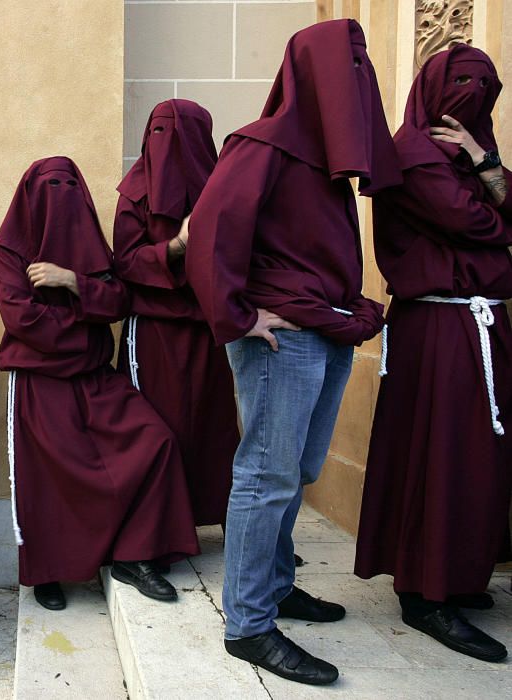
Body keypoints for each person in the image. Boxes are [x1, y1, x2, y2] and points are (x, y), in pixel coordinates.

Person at [187, 19, 401, 686]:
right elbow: (210, 234)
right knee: (267, 472)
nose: (359, 79)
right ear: (311, 73)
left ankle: (276, 584)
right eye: (349, 66)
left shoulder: (330, 163)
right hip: (283, 338)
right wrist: (238, 316)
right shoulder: (261, 145)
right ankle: (248, 625)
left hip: (328, 330)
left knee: (300, 467)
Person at [354, 45, 512, 663]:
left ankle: (460, 574)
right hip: (439, 330)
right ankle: (425, 592)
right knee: (443, 453)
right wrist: (495, 201)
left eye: (487, 89)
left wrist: (485, 161)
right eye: (464, 86)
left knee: (479, 456)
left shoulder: (474, 153)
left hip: (483, 325)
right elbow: (473, 222)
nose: (475, 98)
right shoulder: (412, 155)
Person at [0, 155, 200, 612]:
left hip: (93, 376)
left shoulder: (91, 249)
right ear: (29, 196)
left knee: (155, 443)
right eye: (49, 187)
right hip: (40, 381)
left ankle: (135, 555)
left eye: (68, 186)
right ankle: (47, 573)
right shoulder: (8, 252)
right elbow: (23, 319)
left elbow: (119, 299)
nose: (59, 196)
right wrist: (85, 321)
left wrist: (72, 281)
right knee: (45, 479)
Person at [114, 99, 238, 528]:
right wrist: (177, 246)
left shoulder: (221, 194)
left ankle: (234, 525)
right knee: (159, 429)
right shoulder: (134, 194)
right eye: (158, 132)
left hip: (207, 329)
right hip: (153, 332)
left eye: (177, 134)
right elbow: (125, 263)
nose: (166, 145)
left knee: (213, 427)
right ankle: (157, 532)